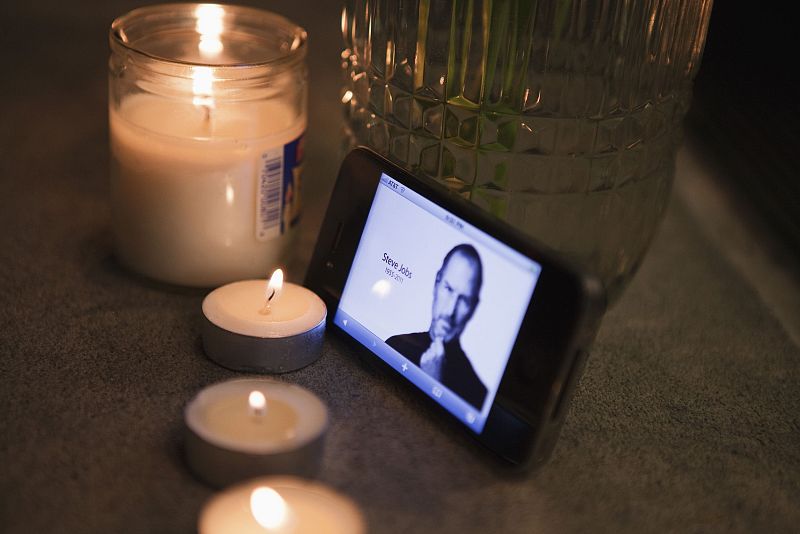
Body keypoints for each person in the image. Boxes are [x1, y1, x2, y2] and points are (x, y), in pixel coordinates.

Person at [386, 244, 487, 409]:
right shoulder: (394, 345)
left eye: (464, 300)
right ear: (436, 283)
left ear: (473, 308)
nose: (450, 310)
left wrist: (433, 383)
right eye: (448, 289)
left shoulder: (477, 394)